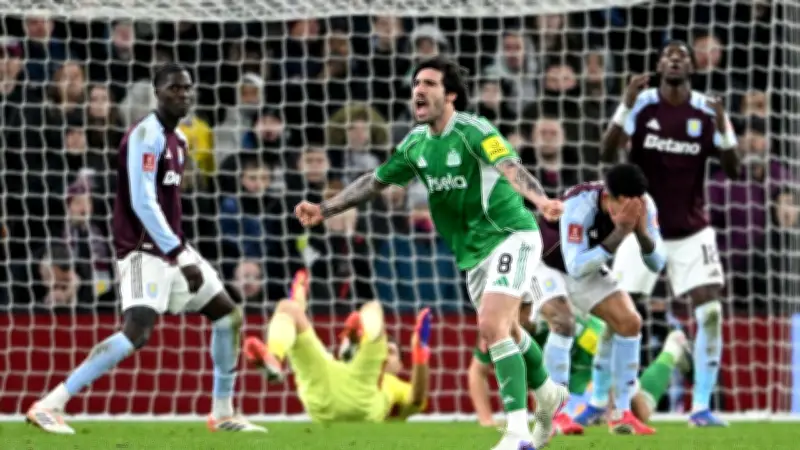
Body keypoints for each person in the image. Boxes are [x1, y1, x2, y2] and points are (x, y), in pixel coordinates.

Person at [295, 56, 566, 450]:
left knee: (492, 326)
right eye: (415, 84)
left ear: (450, 94)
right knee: (507, 331)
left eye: (429, 83)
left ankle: (517, 433)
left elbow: (510, 167)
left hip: (511, 235)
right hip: (472, 253)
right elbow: (374, 181)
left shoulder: (474, 130)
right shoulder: (415, 144)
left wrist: (540, 201)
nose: (418, 90)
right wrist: (325, 209)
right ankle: (548, 394)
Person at [26, 64, 264, 434]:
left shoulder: (179, 140)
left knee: (228, 316)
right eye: (173, 88)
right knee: (136, 333)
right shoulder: (143, 135)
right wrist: (179, 253)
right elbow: (142, 201)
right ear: (157, 92)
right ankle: (49, 404)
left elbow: (169, 204)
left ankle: (222, 412)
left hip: (172, 249)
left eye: (186, 88)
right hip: (141, 251)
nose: (182, 94)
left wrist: (180, 251)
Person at [601, 40, 740, 427]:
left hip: (692, 231)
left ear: (692, 67)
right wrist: (625, 104)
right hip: (642, 226)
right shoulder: (642, 105)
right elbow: (607, 154)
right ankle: (603, 401)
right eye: (668, 56)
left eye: (682, 56)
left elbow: (734, 170)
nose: (674, 60)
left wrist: (725, 127)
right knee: (617, 312)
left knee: (710, 311)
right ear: (659, 66)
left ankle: (701, 407)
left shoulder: (706, 110)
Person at [534, 163, 666, 434]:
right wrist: (620, 232)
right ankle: (555, 414)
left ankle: (621, 413)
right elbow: (575, 266)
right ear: (608, 197)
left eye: (634, 205)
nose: (629, 212)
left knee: (629, 322)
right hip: (542, 261)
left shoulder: (643, 205)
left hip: (587, 263)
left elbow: (657, 263)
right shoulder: (578, 204)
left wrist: (642, 235)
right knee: (563, 322)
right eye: (622, 206)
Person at [243, 270, 432, 422]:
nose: (386, 356)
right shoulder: (334, 366)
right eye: (385, 349)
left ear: (400, 366)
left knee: (373, 307)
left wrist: (419, 354)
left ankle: (356, 338)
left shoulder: (393, 385)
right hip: (323, 390)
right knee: (287, 308)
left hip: (362, 398)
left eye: (390, 352)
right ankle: (274, 359)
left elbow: (416, 400)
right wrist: (298, 305)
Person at [469, 308, 692, 431]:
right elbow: (478, 371)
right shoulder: (499, 324)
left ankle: (673, 349)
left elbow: (611, 364)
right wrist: (486, 419)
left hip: (592, 369)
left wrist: (615, 403)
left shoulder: (576, 327)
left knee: (640, 412)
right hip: (562, 384)